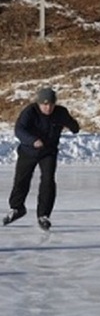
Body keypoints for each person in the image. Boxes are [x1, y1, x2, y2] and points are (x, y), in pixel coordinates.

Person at [3, 88, 80, 230]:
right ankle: (17, 208)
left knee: (48, 180)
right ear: (38, 104)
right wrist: (32, 140)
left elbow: (74, 126)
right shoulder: (30, 112)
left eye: (51, 104)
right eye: (44, 104)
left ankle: (43, 215)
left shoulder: (60, 112)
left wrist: (72, 126)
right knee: (21, 179)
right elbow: (19, 130)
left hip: (48, 152)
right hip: (28, 151)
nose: (48, 107)